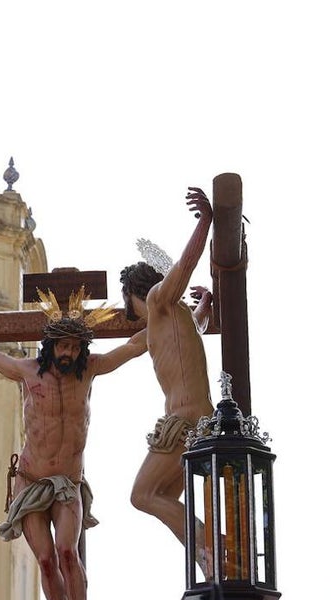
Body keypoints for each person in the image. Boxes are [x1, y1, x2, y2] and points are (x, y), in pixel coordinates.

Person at [0, 293, 146, 600]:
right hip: (30, 480)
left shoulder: (90, 369)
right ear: (51, 346)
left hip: (67, 484)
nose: (69, 352)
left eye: (75, 346)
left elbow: (135, 346)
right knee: (44, 560)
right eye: (63, 345)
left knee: (67, 552)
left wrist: (173, 313)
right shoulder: (28, 372)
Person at [120, 187, 215, 559]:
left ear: (132, 293)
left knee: (141, 495)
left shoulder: (160, 301)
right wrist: (205, 303)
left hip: (184, 420)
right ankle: (206, 555)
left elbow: (185, 265)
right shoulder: (173, 322)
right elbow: (198, 326)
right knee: (163, 496)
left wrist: (205, 220)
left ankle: (211, 551)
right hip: (197, 417)